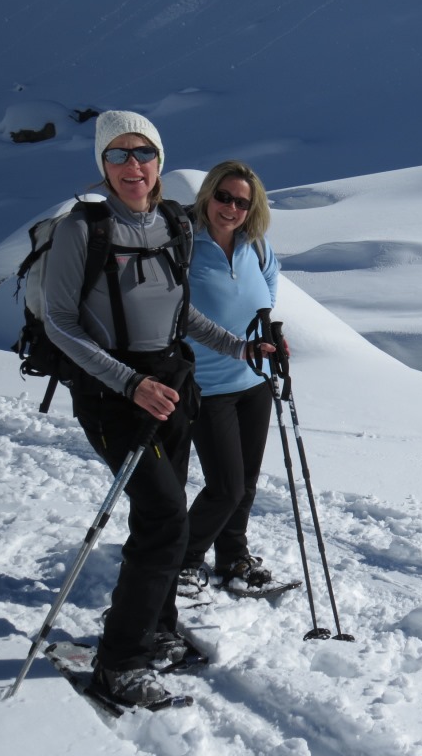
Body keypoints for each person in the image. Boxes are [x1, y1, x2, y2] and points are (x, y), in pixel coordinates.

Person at [42, 112, 272, 705]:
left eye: (142, 152)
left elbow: (180, 312)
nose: (132, 165)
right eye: (117, 154)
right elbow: (60, 323)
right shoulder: (81, 229)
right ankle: (119, 662)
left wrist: (239, 347)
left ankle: (157, 627)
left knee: (159, 521)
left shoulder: (173, 223)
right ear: (102, 165)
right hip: (111, 395)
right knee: (168, 517)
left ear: (159, 160)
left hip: (171, 387)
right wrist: (128, 382)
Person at [178, 160, 281, 597]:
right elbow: (171, 303)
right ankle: (183, 559)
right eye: (224, 197)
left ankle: (232, 556)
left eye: (242, 202)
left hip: (254, 380)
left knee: (246, 485)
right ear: (208, 195)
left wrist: (263, 328)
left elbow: (270, 281)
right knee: (225, 487)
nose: (232, 208)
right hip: (207, 384)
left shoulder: (254, 244)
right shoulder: (184, 241)